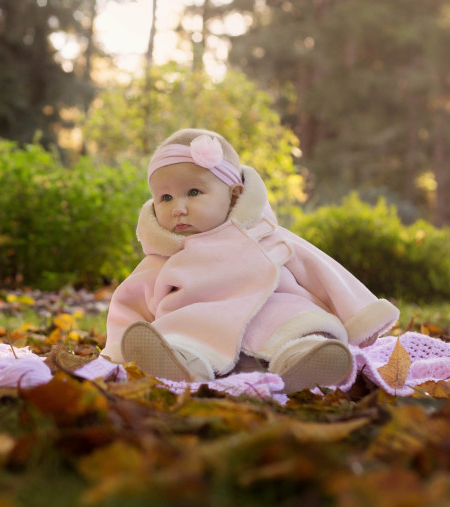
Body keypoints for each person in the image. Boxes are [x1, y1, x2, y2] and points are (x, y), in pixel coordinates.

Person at [102, 128, 399, 392]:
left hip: (279, 314)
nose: (177, 208)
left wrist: (359, 317)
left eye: (193, 192)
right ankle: (182, 364)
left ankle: (308, 358)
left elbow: (322, 271)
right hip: (198, 326)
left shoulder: (265, 236)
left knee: (305, 328)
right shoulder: (165, 257)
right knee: (177, 338)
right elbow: (128, 302)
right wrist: (117, 348)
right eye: (165, 198)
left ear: (234, 195)